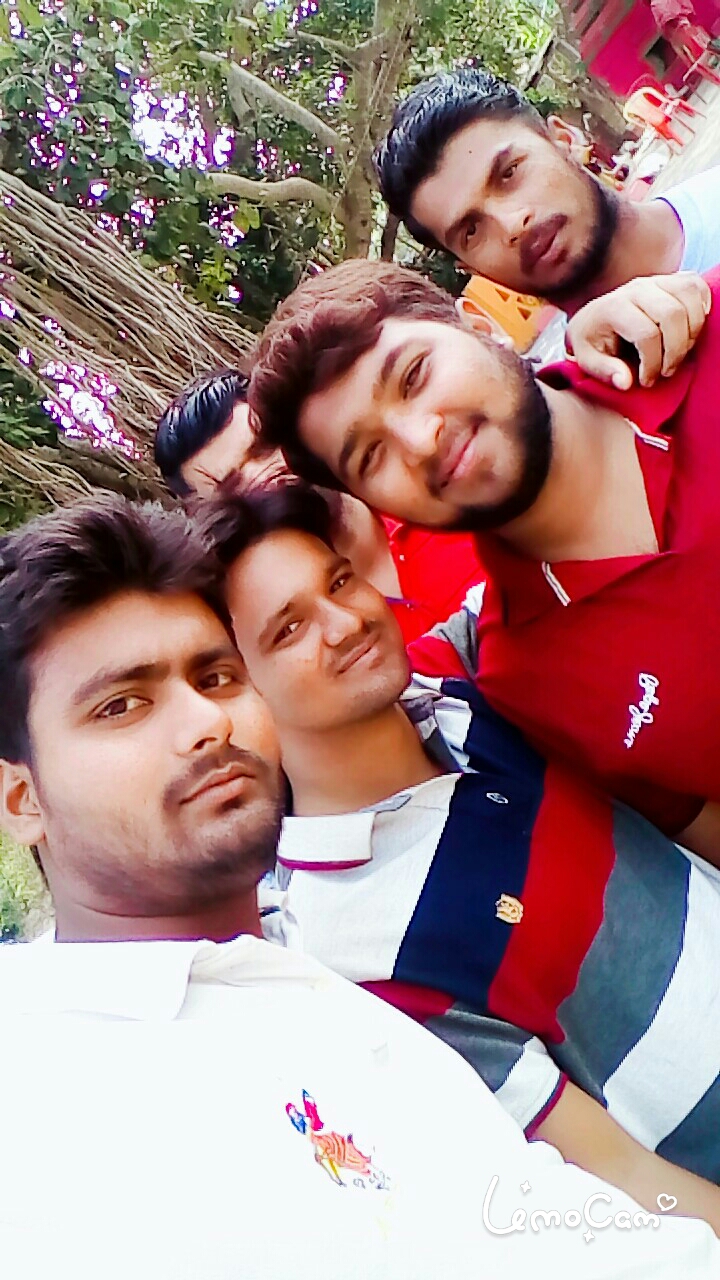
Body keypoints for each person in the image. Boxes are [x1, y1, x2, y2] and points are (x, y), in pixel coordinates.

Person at [3, 495, 704, 1280]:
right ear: (21, 799)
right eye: (122, 705)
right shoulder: (48, 1104)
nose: (206, 721)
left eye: (216, 676)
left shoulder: (307, 977)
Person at [200, 480, 720, 1219]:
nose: (345, 623)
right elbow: (615, 1171)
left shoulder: (467, 684)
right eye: (290, 630)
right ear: (238, 692)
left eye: (339, 582)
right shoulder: (356, 951)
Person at [248, 257, 720, 855]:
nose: (420, 440)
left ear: (478, 325)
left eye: (414, 376)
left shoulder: (695, 328)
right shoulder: (528, 682)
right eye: (371, 456)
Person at [155, 367, 484, 641]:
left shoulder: (440, 485)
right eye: (233, 486)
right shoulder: (309, 647)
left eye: (264, 447)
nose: (265, 478)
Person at [373, 67, 720, 316]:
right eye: (471, 231)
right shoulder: (576, 396)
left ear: (564, 140)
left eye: (509, 173)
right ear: (471, 269)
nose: (512, 224)